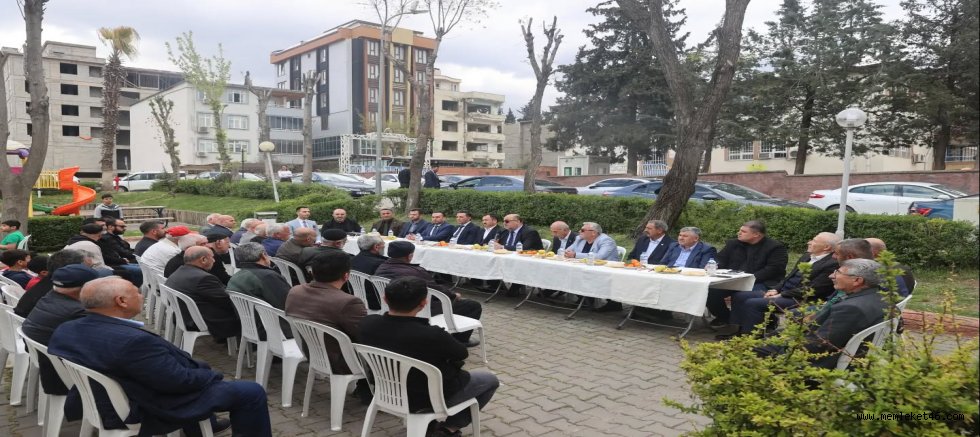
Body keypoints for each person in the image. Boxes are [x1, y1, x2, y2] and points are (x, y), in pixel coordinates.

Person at [48, 277, 271, 436]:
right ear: (121, 301)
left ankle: (202, 426)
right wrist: (210, 375)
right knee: (250, 391)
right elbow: (178, 383)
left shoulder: (67, 328)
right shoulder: (133, 342)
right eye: (136, 291)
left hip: (104, 395)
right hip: (143, 403)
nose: (141, 295)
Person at [359, 277, 499, 437]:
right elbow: (461, 353)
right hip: (428, 397)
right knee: (489, 380)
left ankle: (433, 426)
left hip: (385, 391)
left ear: (384, 298)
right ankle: (449, 428)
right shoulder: (432, 334)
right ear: (423, 303)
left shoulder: (367, 323)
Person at [756, 259, 892, 369]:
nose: (831, 276)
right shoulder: (880, 297)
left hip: (822, 362)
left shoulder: (851, 308)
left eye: (838, 272)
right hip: (845, 352)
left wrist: (785, 349)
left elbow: (819, 344)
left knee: (752, 349)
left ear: (857, 280)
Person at [717, 232, 841, 339]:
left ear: (826, 247)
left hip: (801, 299)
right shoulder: (807, 256)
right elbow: (789, 277)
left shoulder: (831, 264)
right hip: (784, 293)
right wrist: (776, 289)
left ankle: (751, 337)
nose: (809, 242)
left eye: (814, 240)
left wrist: (782, 294)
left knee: (753, 303)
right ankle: (737, 329)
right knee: (739, 296)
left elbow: (815, 289)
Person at [285, 250, 370, 402]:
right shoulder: (348, 302)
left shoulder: (295, 291)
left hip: (311, 350)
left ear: (312, 272)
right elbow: (365, 335)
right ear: (346, 276)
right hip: (340, 360)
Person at [22, 264, 103, 409]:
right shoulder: (77, 311)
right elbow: (102, 343)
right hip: (67, 375)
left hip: (48, 364)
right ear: (86, 288)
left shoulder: (50, 297)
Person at [374, 241, 483, 345]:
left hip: (392, 306)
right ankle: (459, 341)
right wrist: (453, 294)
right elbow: (436, 290)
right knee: (473, 306)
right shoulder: (415, 271)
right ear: (410, 256)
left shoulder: (381, 267)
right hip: (419, 308)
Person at [707, 221, 788, 329]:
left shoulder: (775, 247)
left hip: (760, 281)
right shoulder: (733, 243)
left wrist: (749, 278)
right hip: (732, 280)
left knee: (744, 295)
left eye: (743, 231)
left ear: (756, 234)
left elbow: (773, 269)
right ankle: (725, 317)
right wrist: (715, 265)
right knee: (710, 290)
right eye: (740, 230)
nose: (739, 233)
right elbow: (720, 259)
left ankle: (761, 321)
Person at [164, 246, 241, 341]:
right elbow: (228, 301)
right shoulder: (203, 278)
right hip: (203, 320)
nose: (214, 260)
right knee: (249, 313)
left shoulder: (179, 271)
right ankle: (250, 347)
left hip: (185, 317)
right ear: (203, 259)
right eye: (212, 257)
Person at [227, 243, 293, 338]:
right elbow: (288, 304)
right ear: (263, 255)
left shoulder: (236, 276)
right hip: (275, 330)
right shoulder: (267, 276)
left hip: (252, 326)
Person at [14, 249, 92, 317]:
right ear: (71, 270)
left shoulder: (47, 283)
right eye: (88, 268)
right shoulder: (62, 291)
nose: (92, 271)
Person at [165, 233, 232, 285]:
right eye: (203, 244)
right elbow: (223, 280)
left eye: (207, 242)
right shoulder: (202, 261)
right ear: (189, 248)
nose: (208, 245)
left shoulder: (175, 261)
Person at [99, 217, 143, 286]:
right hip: (118, 263)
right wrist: (137, 255)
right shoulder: (107, 239)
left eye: (124, 226)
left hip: (123, 261)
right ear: (110, 227)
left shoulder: (115, 236)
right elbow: (123, 252)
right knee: (142, 269)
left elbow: (126, 250)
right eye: (122, 226)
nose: (124, 228)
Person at [351, 234, 387, 310]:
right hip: (377, 303)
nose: (384, 247)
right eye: (383, 245)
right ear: (376, 247)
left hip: (356, 299)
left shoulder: (352, 260)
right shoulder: (381, 264)